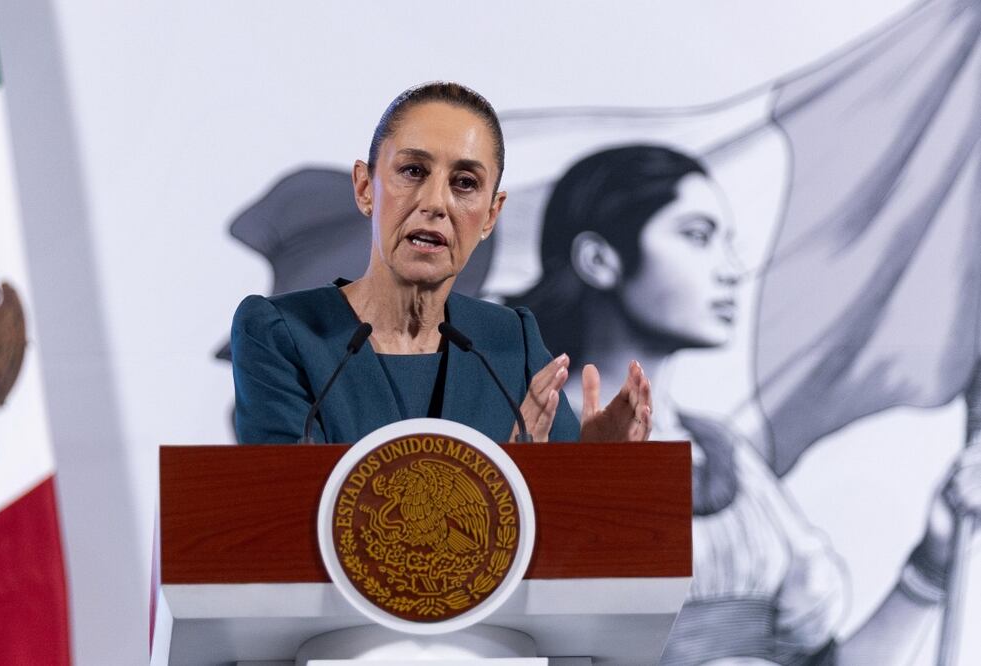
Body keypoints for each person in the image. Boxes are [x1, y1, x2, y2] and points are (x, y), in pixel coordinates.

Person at [510, 145, 981, 665]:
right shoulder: (533, 441)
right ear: (599, 260)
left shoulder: (724, 452)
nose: (733, 269)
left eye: (728, 242)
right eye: (697, 236)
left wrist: (932, 563)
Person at [231, 82, 652, 446]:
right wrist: (504, 474)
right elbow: (291, 501)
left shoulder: (510, 341)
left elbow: (565, 501)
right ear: (364, 188)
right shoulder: (281, 333)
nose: (435, 203)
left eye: (465, 183)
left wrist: (595, 465)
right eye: (413, 171)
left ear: (490, 215)